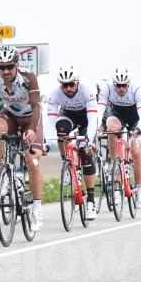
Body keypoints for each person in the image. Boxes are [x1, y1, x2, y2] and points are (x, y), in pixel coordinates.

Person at [0, 45, 45, 231]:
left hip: (31, 117)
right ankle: (4, 175)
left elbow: (37, 106)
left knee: (32, 160)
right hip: (10, 115)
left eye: (9, 66)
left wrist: (32, 129)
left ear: (17, 65)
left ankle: (37, 207)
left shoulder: (28, 78)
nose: (5, 71)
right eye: (1, 67)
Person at [47, 64, 99, 220]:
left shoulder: (87, 91)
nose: (68, 88)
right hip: (68, 115)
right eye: (64, 85)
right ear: (60, 85)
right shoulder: (55, 94)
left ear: (77, 82)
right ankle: (67, 163)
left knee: (86, 154)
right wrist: (48, 143)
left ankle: (90, 200)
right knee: (61, 128)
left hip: (85, 120)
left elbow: (92, 119)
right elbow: (50, 120)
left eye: (71, 84)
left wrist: (89, 140)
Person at [98, 66, 141, 208]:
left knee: (135, 150)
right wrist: (96, 129)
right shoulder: (107, 88)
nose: (121, 89)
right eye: (118, 86)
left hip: (135, 119)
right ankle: (115, 165)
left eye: (124, 85)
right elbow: (99, 110)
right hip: (117, 114)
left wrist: (137, 129)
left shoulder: (137, 89)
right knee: (112, 129)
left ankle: (139, 189)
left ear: (128, 84)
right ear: (114, 84)